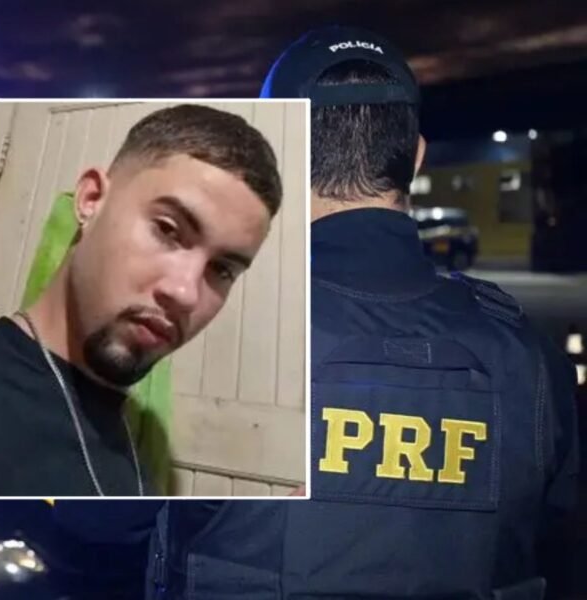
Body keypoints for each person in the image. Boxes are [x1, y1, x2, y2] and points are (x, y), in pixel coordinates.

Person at [134, 26, 579, 599]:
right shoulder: (528, 356)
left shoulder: (202, 335)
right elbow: (560, 549)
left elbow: (94, 530)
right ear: (416, 156)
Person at [0, 104, 283, 497]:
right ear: (91, 199)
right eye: (168, 229)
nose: (185, 293)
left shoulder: (134, 450)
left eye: (222, 270)